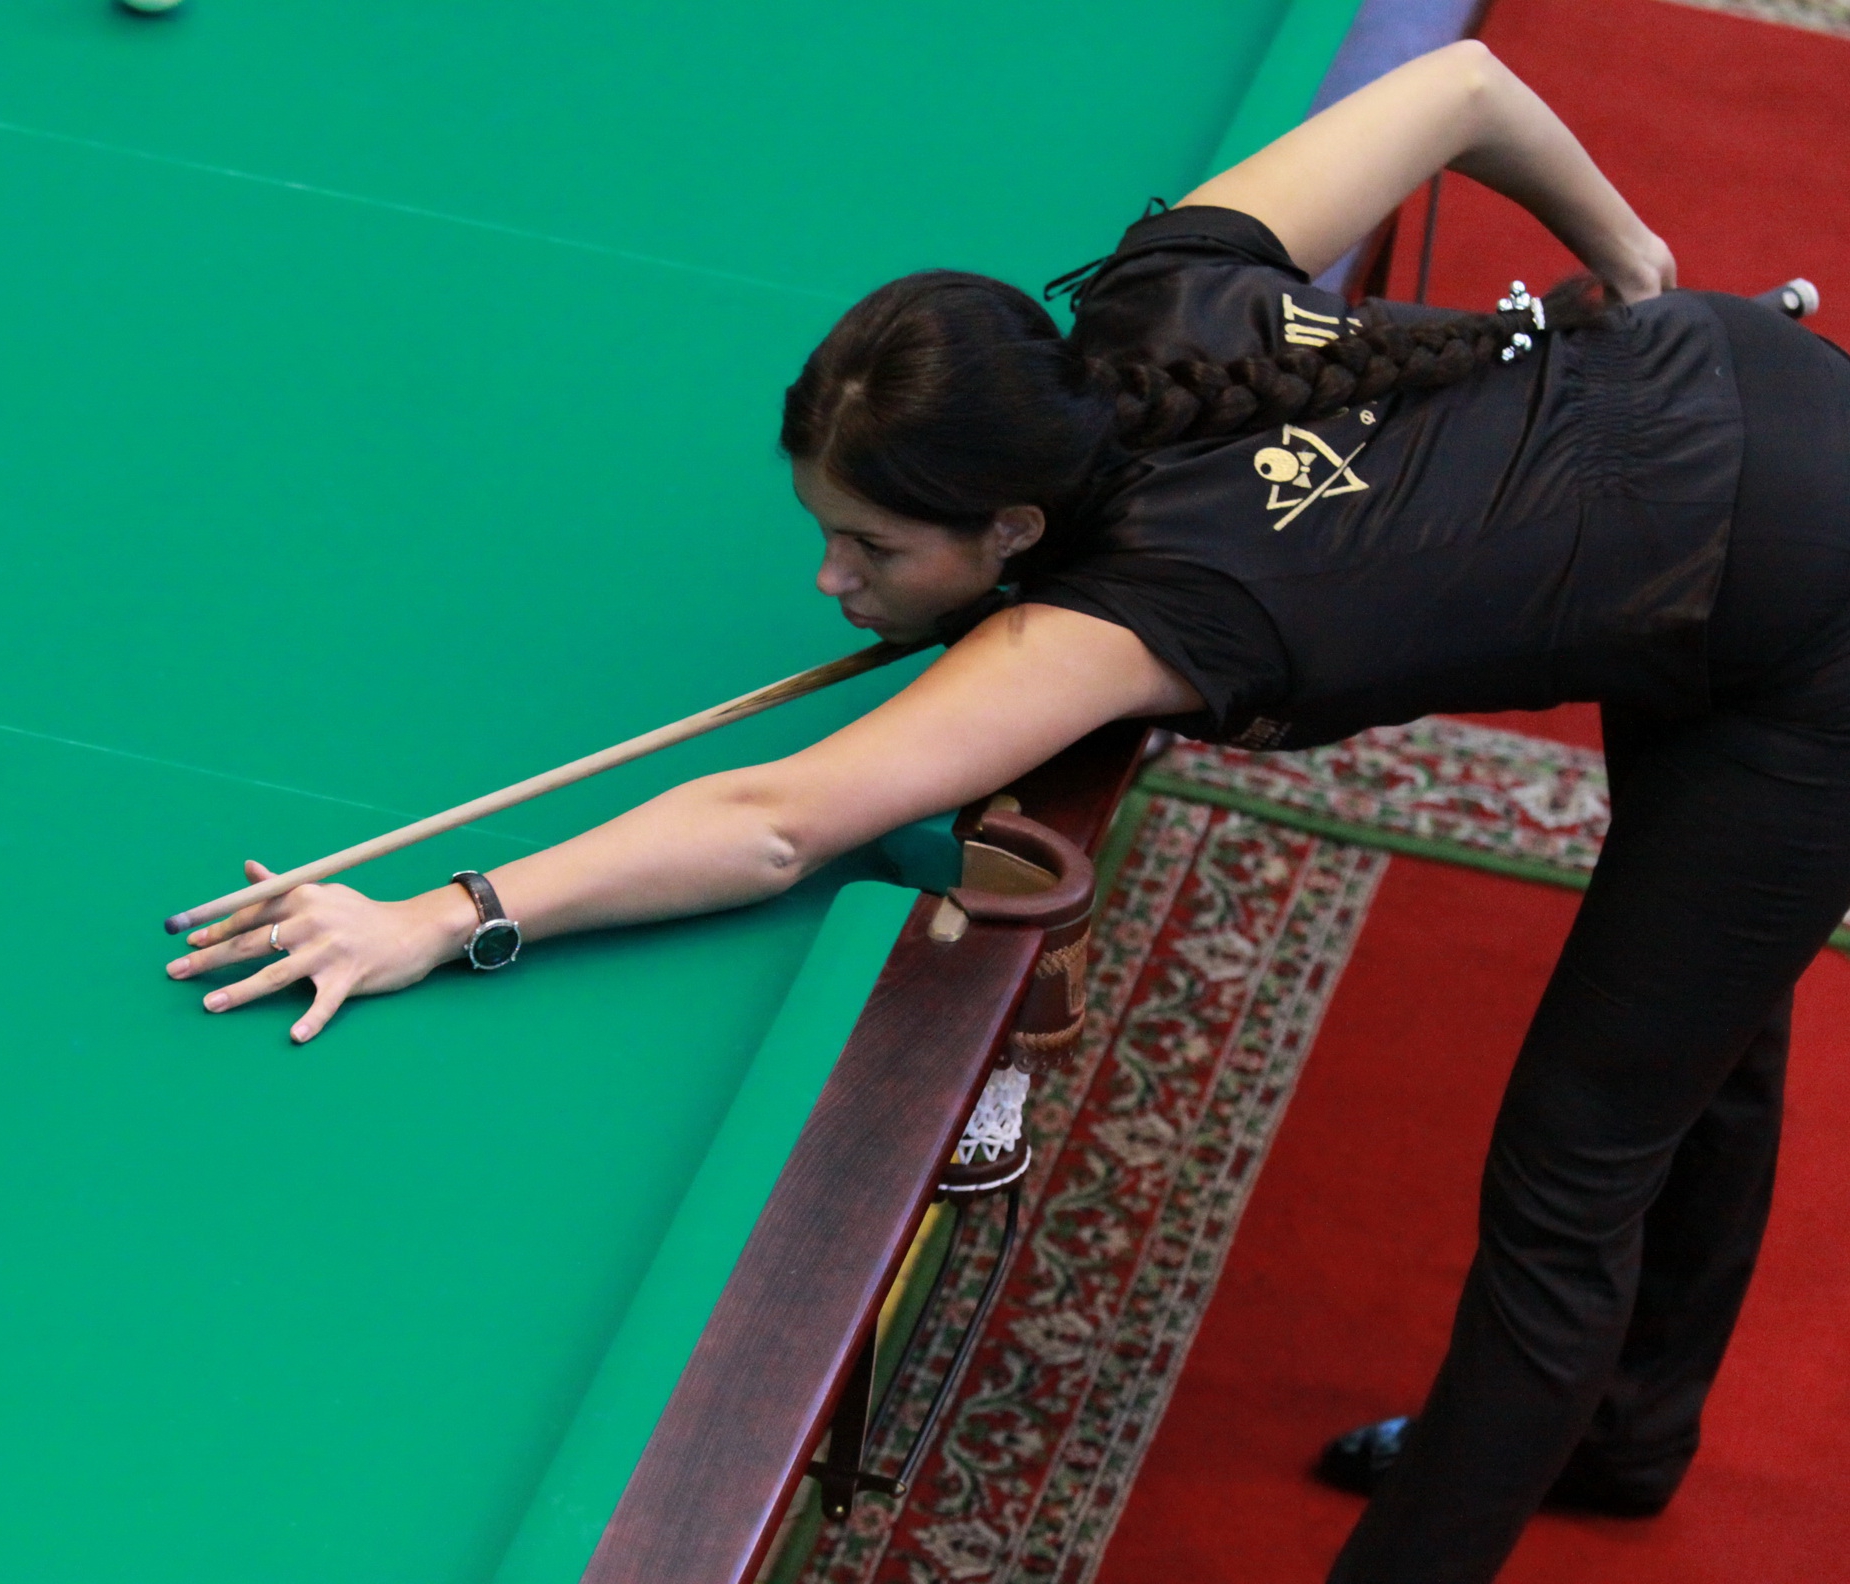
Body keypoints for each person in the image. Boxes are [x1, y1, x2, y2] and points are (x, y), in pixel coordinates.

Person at [163, 39, 1850, 1583]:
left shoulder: (1116, 622)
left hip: (1812, 630)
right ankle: (1633, 1432)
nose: (832, 584)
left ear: (1016, 530)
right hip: (1736, 411)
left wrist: (438, 918)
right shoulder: (1159, 290)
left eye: (875, 551)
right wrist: (1639, 267)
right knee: (1697, 1004)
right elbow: (1467, 86)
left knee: (1575, 1165)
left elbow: (778, 820)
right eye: (825, 533)